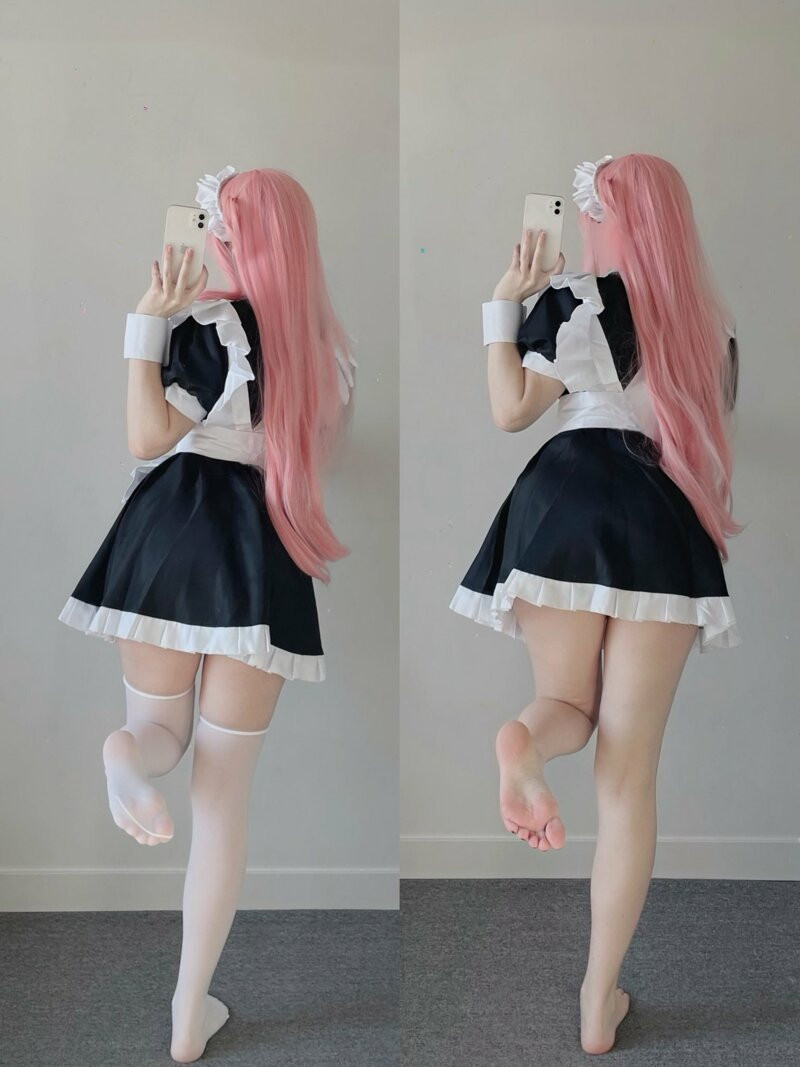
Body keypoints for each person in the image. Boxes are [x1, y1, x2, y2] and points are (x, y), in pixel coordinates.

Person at [58, 165, 356, 1063]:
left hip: (169, 534)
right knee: (222, 801)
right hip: (262, 552)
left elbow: (147, 437)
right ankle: (189, 1015)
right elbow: (309, 457)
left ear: (226, 238)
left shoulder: (207, 326)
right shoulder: (327, 353)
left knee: (157, 730)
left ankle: (126, 754)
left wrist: (146, 324)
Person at [449, 153, 742, 1055]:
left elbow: (512, 409)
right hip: (660, 517)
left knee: (565, 704)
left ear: (599, 219)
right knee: (629, 779)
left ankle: (525, 741)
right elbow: (705, 430)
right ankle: (595, 998)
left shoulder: (574, 299)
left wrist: (505, 303)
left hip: (564, 505)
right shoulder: (711, 325)